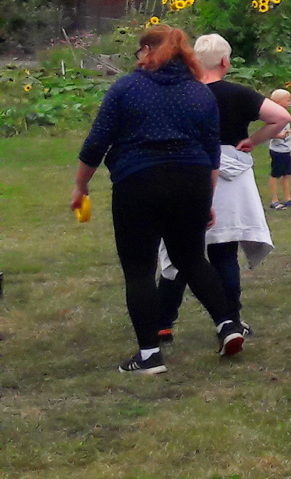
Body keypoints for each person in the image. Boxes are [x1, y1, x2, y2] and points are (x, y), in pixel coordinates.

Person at [73, 25, 244, 375]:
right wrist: (206, 199)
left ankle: (149, 355)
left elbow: (97, 141)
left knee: (139, 269)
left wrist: (81, 186)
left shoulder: (127, 88)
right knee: (192, 258)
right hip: (193, 182)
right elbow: (212, 152)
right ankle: (228, 325)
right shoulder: (200, 93)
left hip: (139, 181)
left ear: (149, 50)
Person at [155, 34, 286, 342]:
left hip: (190, 169)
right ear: (225, 62)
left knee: (180, 251)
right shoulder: (238, 94)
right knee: (224, 251)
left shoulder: (182, 93)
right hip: (232, 174)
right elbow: (280, 117)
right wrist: (253, 141)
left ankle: (162, 321)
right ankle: (231, 320)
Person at [267, 89, 291, 209]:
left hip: (287, 150)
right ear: (279, 103)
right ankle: (274, 200)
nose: (290, 102)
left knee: (287, 174)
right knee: (276, 174)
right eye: (288, 100)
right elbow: (268, 133)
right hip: (277, 151)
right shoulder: (273, 117)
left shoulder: (285, 114)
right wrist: (279, 136)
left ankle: (288, 199)